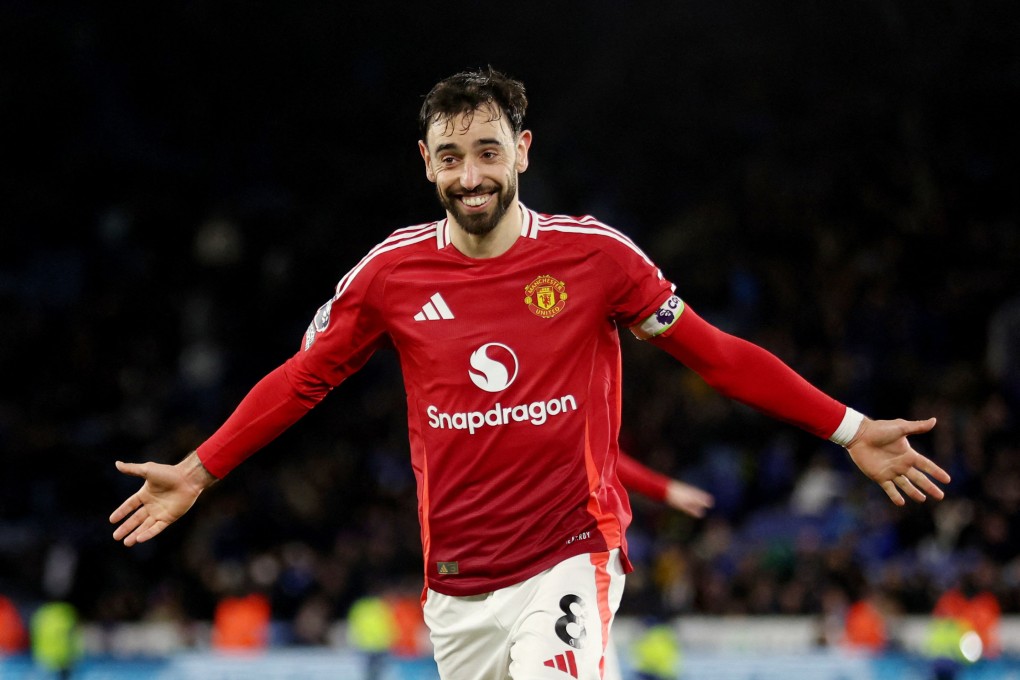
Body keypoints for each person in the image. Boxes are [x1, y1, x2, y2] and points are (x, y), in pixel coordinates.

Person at [110, 66, 951, 680]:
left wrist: (846, 428)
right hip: (456, 587)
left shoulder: (594, 259)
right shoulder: (388, 278)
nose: (469, 176)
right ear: (425, 162)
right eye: (449, 157)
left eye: (486, 151)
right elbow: (300, 381)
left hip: (571, 552)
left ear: (522, 150)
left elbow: (715, 355)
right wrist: (198, 470)